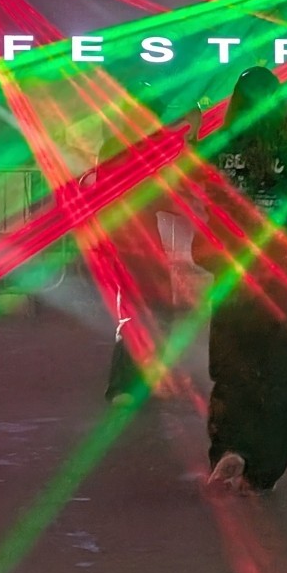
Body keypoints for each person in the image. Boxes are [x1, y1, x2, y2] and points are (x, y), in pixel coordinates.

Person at [193, 67, 287, 494]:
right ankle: (262, 470)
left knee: (233, 368)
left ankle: (230, 447)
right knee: (282, 375)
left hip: (233, 273)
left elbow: (192, 179)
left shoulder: (218, 147)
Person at [100, 101, 202, 405]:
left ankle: (142, 380)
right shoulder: (142, 148)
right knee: (144, 311)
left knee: (148, 311)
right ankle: (124, 385)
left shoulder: (119, 145)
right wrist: (192, 135)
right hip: (134, 240)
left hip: (129, 237)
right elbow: (174, 184)